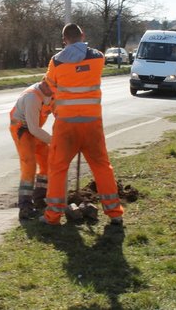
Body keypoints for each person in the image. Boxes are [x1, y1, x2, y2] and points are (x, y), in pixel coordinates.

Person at [41, 23, 124, 226]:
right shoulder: (98, 58)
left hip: (66, 125)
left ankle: (52, 216)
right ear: (83, 35)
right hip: (92, 123)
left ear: (64, 40)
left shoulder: (56, 62)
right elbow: (84, 65)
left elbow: (46, 87)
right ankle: (115, 214)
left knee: (58, 168)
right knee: (102, 167)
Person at [9, 78, 53, 220]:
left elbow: (61, 114)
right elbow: (33, 129)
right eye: (54, 87)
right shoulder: (32, 97)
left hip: (34, 130)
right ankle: (25, 206)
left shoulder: (53, 93)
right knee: (29, 165)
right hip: (21, 130)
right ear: (45, 84)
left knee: (48, 161)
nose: (56, 91)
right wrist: (55, 142)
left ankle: (40, 198)